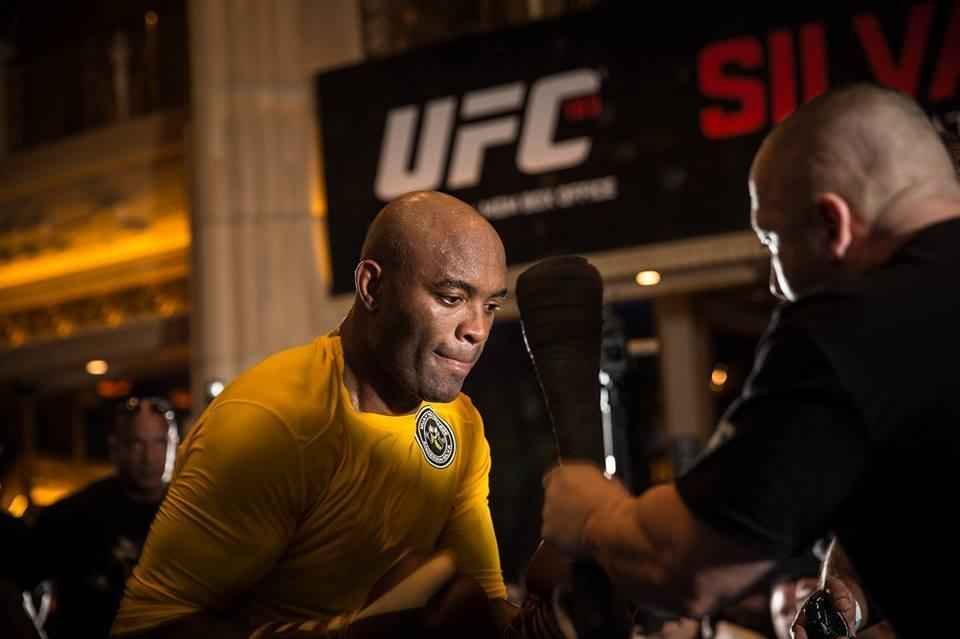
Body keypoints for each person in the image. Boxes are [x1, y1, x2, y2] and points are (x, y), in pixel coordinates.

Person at [540, 82, 960, 637]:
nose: (774, 283)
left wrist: (591, 513)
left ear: (832, 224)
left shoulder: (851, 321)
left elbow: (686, 568)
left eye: (772, 244)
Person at [110, 191, 527, 639]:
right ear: (372, 287)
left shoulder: (460, 425)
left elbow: (485, 609)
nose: (477, 330)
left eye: (490, 305)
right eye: (450, 298)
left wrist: (554, 615)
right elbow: (148, 630)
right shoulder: (272, 422)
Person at [27, 397, 179, 639]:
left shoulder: (189, 515)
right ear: (115, 448)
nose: (149, 457)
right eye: (136, 444)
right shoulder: (72, 516)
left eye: (160, 443)